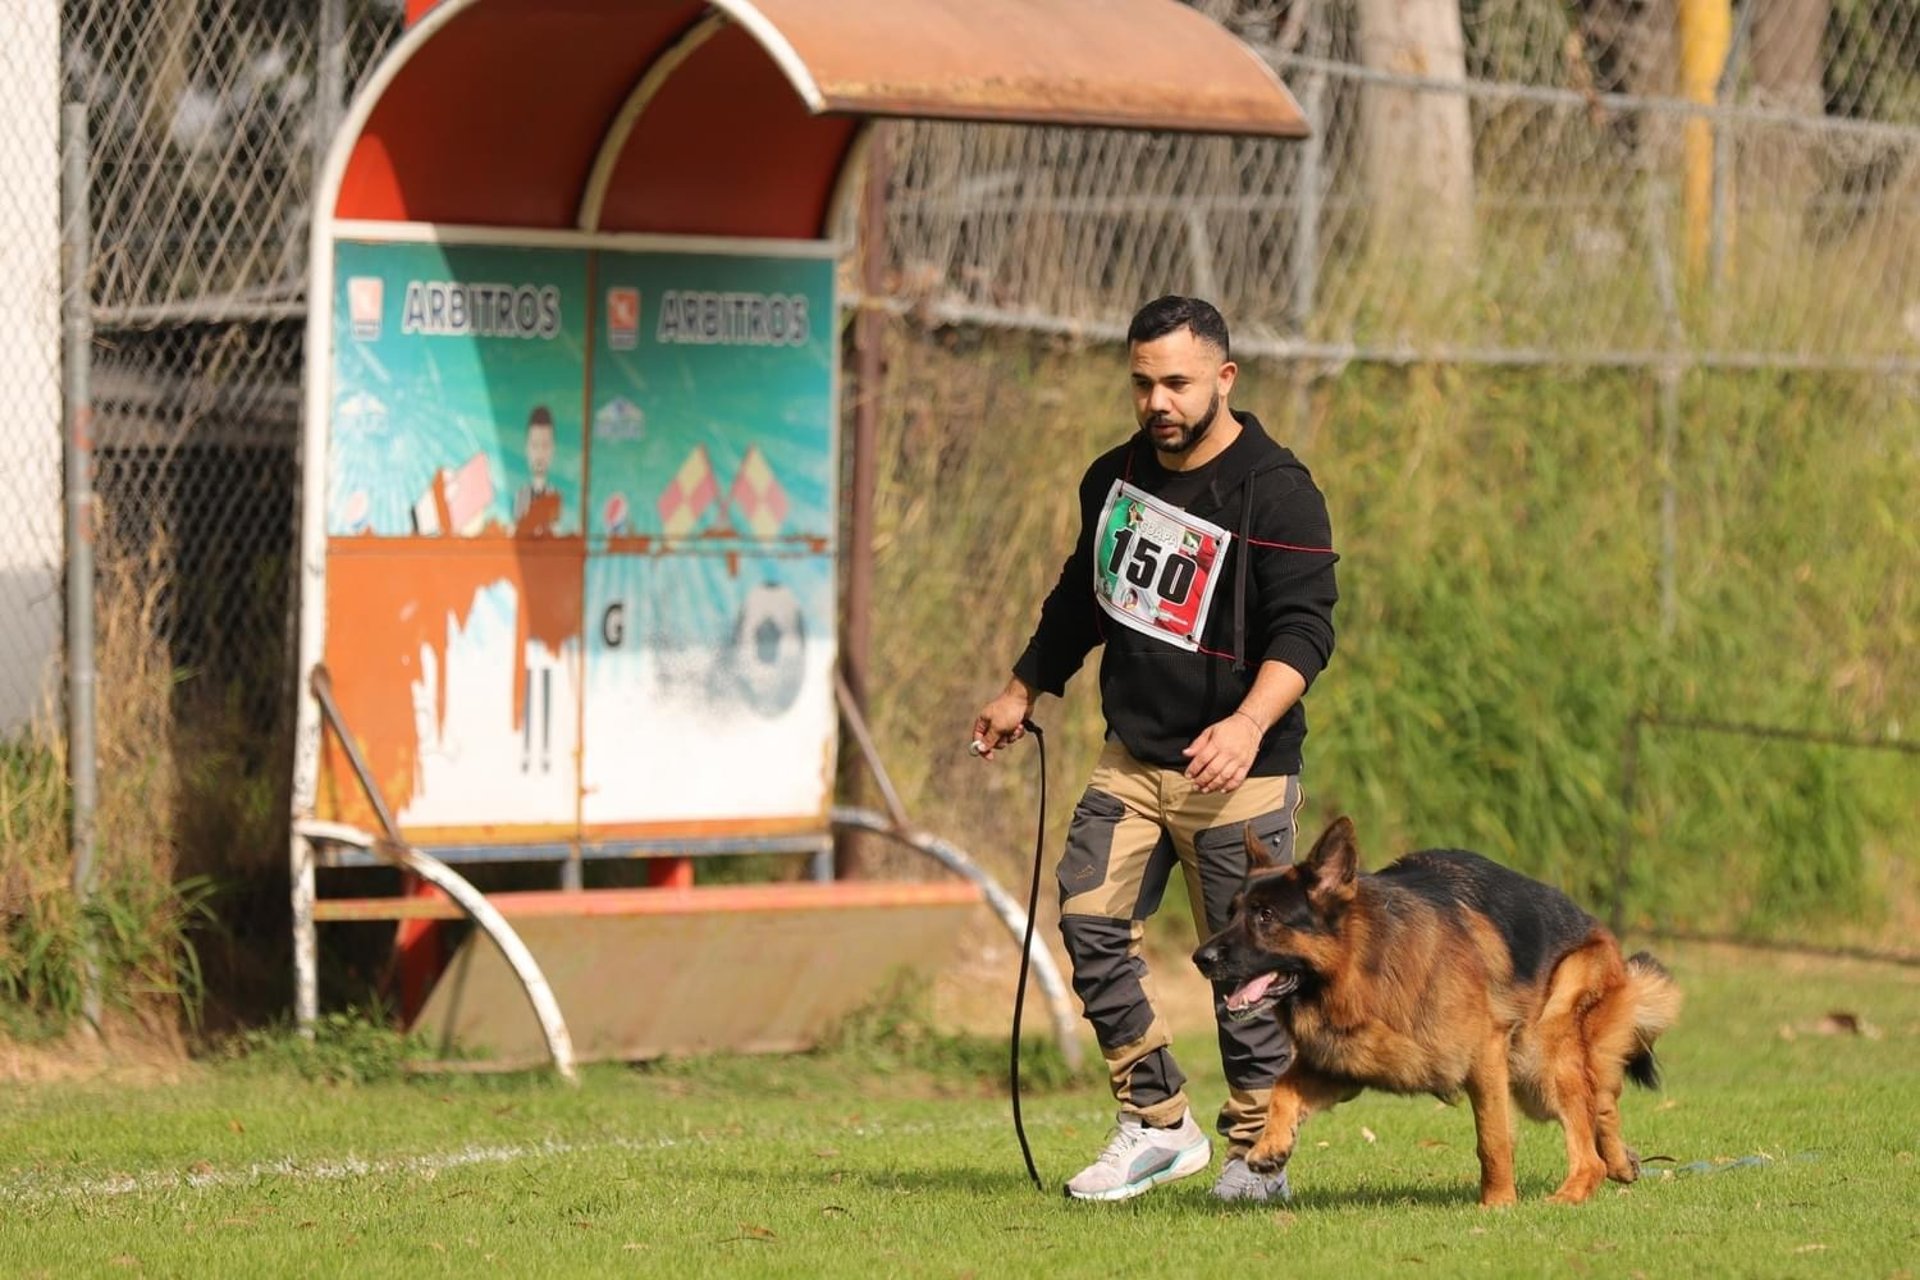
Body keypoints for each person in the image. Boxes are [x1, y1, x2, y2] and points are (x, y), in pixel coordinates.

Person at [971, 296, 1338, 1204]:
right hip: (1134, 760)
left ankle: (1260, 1158)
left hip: (1241, 773)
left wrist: (1249, 723)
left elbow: (1304, 632)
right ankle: (1156, 1122)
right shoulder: (1115, 479)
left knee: (1247, 967)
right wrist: (1024, 688)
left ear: (1224, 378)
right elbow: (1080, 598)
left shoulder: (1279, 490)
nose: (1157, 401)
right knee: (1089, 921)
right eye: (1142, 383)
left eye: (1176, 382)